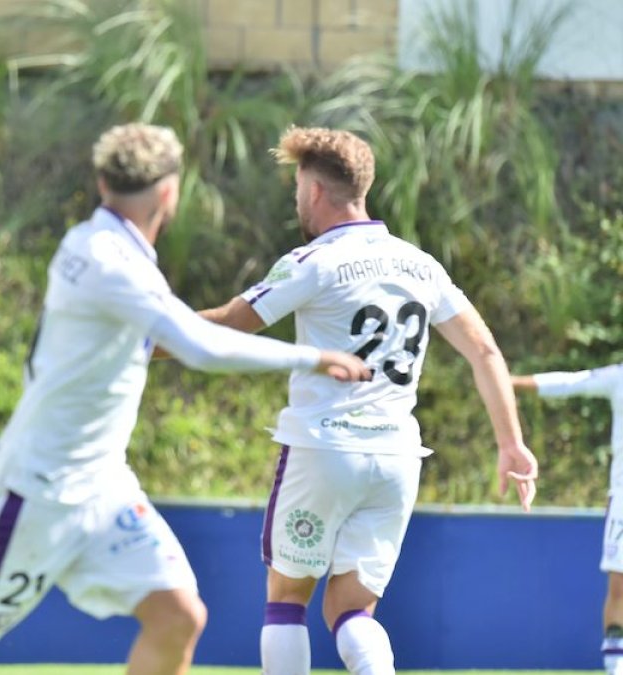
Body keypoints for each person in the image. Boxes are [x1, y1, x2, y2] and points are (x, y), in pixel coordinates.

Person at [0, 123, 370, 675]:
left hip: (103, 484)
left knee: (178, 615)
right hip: (37, 491)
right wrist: (311, 357)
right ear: (170, 193)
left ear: (101, 182)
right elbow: (199, 346)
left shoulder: (107, 246)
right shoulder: (107, 258)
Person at [187, 126, 538, 674]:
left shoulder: (314, 261)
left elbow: (233, 324)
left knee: (286, 599)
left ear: (316, 191)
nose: (297, 199)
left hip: (324, 447)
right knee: (353, 611)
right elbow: (485, 351)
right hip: (397, 458)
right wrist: (511, 444)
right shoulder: (422, 264)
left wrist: (141, 338)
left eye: (298, 188)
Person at [512, 364, 623, 674]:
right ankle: (616, 668)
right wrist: (508, 383)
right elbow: (570, 382)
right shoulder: (619, 377)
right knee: (619, 588)